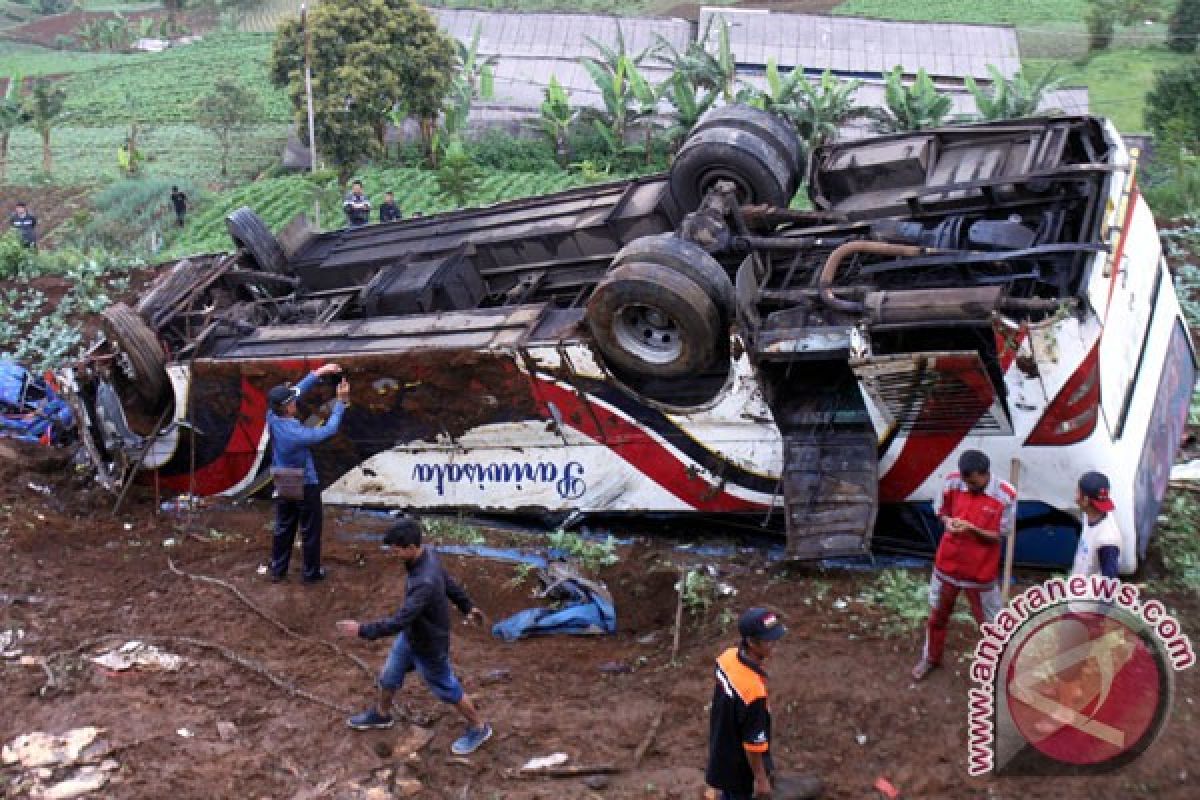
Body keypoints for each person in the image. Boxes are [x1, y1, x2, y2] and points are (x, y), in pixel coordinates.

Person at [336, 518, 494, 756]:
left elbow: (399, 620)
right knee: (389, 676)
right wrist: (467, 606)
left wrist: (361, 630)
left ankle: (479, 727)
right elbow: (448, 582)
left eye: (397, 550)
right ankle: (381, 714)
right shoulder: (426, 555)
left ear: (411, 547)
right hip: (411, 637)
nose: (394, 554)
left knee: (447, 689)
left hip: (429, 644)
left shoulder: (424, 582)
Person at [911, 449, 1016, 682]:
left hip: (980, 573)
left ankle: (1002, 671)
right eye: (965, 481)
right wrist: (948, 521)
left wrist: (971, 529)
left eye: (973, 482)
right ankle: (931, 658)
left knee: (992, 624)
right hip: (947, 566)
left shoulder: (1005, 495)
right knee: (937, 617)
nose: (968, 486)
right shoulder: (952, 482)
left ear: (984, 474)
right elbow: (941, 510)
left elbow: (1001, 534)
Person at [265, 363, 349, 584]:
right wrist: (341, 403)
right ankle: (311, 573)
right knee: (310, 529)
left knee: (284, 526)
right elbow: (329, 430)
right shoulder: (296, 434)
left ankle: (278, 570)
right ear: (287, 408)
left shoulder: (272, 416)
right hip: (305, 483)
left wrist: (319, 372)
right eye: (292, 402)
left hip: (283, 480)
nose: (296, 402)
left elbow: (297, 391)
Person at [706, 608, 785, 800]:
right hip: (741, 769)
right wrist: (761, 779)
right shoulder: (753, 692)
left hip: (721, 750)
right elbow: (753, 744)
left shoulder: (728, 658)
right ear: (751, 642)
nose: (774, 644)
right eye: (768, 640)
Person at [1071, 471, 1121, 578]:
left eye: (1077, 492)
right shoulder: (1090, 514)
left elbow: (1109, 583)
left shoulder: (1107, 541)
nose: (1075, 497)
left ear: (1085, 500)